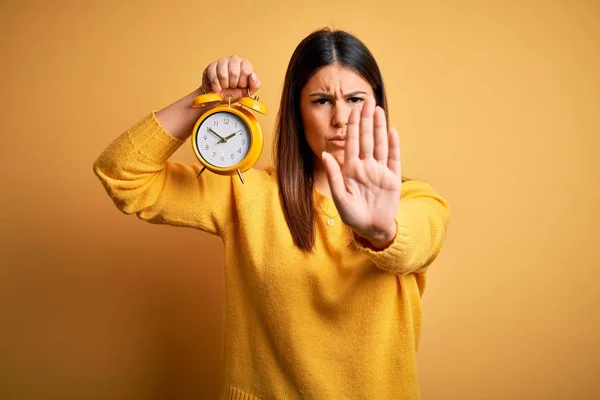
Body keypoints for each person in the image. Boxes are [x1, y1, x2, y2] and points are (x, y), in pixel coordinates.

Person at [93, 27, 450, 400]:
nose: (341, 118)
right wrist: (205, 97)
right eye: (322, 101)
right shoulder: (248, 194)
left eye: (356, 99)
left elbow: (417, 243)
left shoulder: (418, 201)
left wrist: (382, 231)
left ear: (378, 107)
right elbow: (121, 174)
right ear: (297, 113)